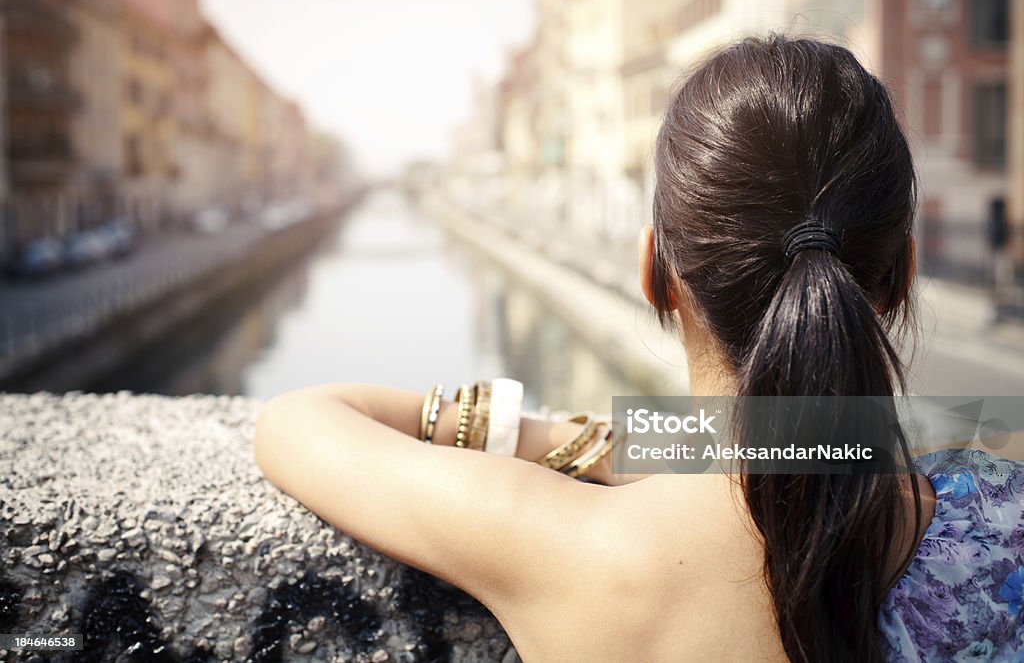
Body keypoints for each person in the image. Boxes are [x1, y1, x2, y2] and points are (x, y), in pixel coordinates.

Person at [254, 35, 1024, 662]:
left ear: (655, 271)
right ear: (901, 276)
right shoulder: (1001, 523)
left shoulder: (565, 546)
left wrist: (566, 438)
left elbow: (296, 422)